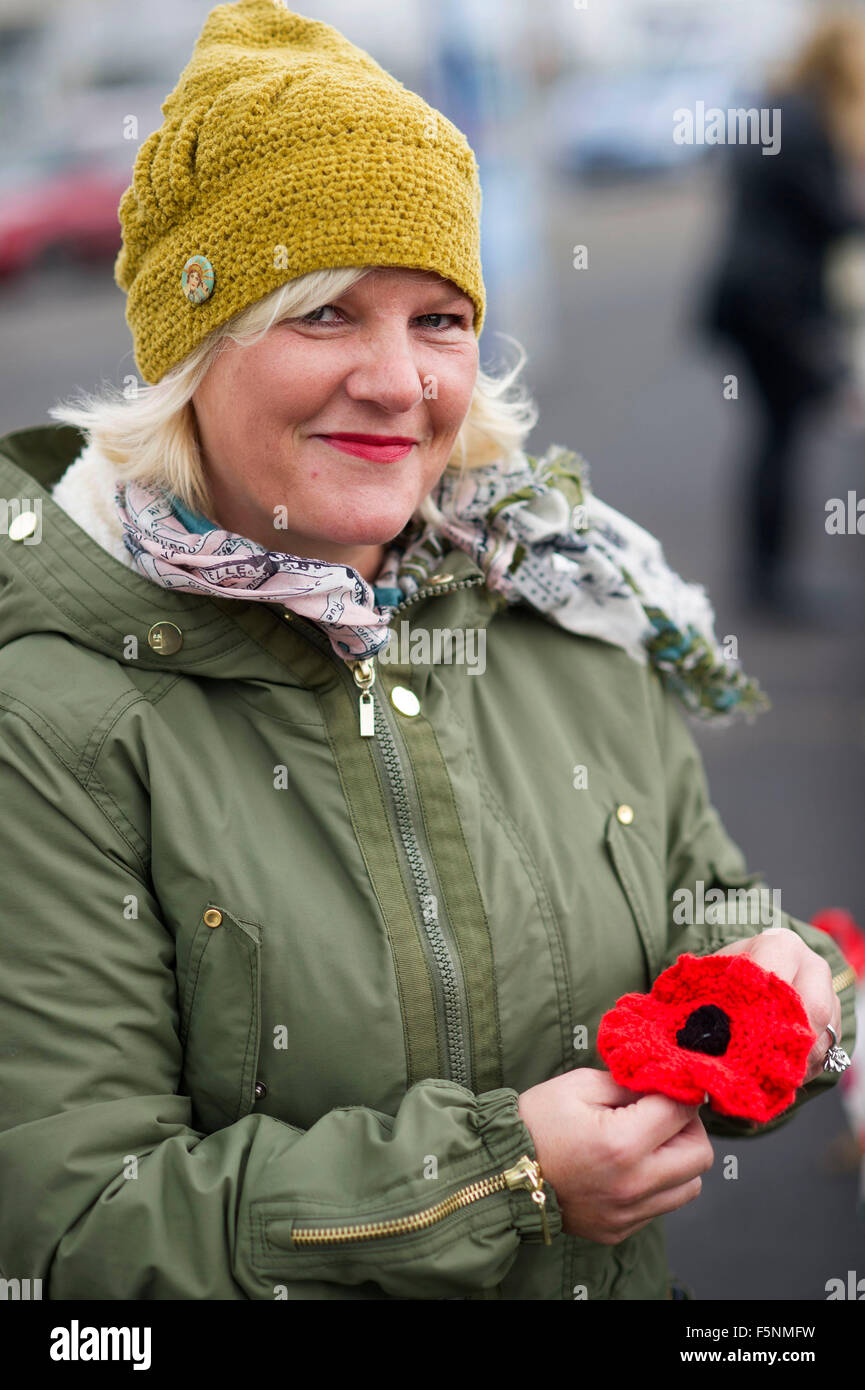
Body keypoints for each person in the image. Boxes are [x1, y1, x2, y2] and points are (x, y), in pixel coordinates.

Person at [0, 0, 856, 1302]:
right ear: (188, 350)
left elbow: (710, 920)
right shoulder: (50, 716)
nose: (400, 383)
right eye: (327, 315)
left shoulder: (564, 603)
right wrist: (502, 1182)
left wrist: (775, 999)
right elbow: (72, 1236)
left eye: (440, 319)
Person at [698, 7, 865, 615]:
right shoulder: (803, 121)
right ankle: (770, 583)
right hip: (773, 305)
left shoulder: (778, 108)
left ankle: (766, 576)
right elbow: (833, 215)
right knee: (781, 439)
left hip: (752, 300)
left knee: (774, 436)